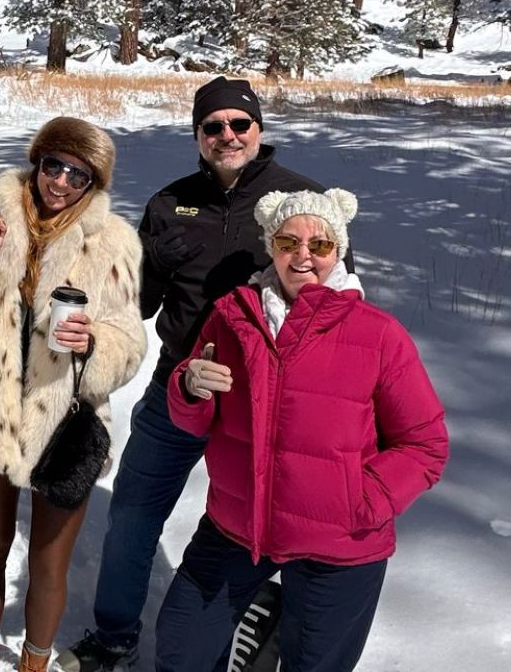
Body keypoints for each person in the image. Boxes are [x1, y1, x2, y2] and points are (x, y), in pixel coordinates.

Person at [61, 76, 342, 672]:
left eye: (239, 124)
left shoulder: (303, 201)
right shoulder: (170, 204)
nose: (227, 135)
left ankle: (250, 631)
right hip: (178, 386)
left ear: (259, 130)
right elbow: (134, 300)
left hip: (267, 400)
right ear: (198, 134)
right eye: (212, 126)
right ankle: (114, 637)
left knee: (270, 523)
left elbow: (337, 301)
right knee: (133, 513)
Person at [157, 188, 449, 671]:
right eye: (288, 242)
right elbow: (193, 417)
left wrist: (361, 500)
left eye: (320, 245)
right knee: (180, 647)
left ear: (339, 251)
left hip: (339, 547)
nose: (302, 257)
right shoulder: (233, 318)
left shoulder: (378, 334)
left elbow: (424, 445)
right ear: (270, 245)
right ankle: (266, 615)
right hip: (238, 529)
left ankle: (273, 622)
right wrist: (188, 387)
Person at [0, 117, 147, 672]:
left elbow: (131, 344)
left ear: (93, 184)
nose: (59, 182)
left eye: (77, 174)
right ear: (36, 162)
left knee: (49, 563)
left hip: (64, 422)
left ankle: (34, 663)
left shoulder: (113, 243)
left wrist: (94, 342)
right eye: (52, 165)